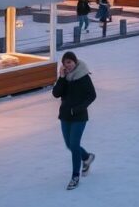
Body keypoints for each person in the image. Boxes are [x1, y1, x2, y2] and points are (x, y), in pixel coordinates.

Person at [52, 51, 97, 190]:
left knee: (74, 144)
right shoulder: (65, 77)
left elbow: (92, 95)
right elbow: (56, 94)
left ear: (75, 62)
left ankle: (75, 176)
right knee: (70, 145)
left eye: (70, 62)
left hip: (79, 116)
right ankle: (87, 157)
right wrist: (61, 78)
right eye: (66, 63)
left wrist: (77, 109)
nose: (68, 65)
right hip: (65, 116)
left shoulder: (83, 76)